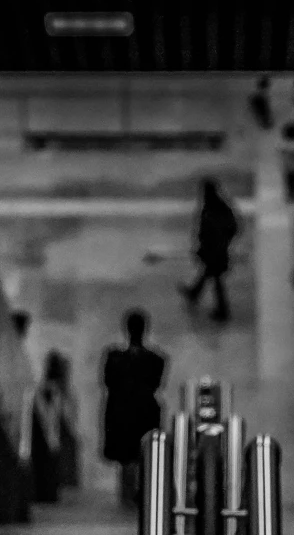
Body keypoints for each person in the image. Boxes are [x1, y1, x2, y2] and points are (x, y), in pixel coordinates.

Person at [101, 309, 168, 505]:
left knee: (129, 457)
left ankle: (129, 496)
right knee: (138, 457)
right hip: (141, 412)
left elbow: (107, 382)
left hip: (125, 413)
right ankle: (135, 495)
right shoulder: (155, 359)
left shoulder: (115, 358)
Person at [181, 180, 238, 322]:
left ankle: (222, 309)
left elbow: (208, 231)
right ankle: (194, 292)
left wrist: (209, 245)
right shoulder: (220, 206)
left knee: (215, 277)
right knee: (210, 273)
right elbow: (232, 227)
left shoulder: (213, 208)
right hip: (217, 249)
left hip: (215, 250)